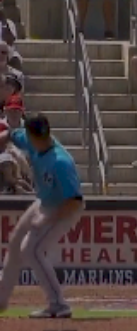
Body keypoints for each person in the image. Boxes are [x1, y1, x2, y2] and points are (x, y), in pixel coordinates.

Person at [0, 114, 84, 318]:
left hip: (64, 208)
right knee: (16, 241)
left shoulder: (61, 162)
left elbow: (74, 201)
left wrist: (48, 219)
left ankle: (58, 304)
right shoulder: (29, 138)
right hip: (44, 202)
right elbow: (11, 134)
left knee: (31, 250)